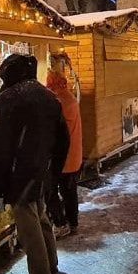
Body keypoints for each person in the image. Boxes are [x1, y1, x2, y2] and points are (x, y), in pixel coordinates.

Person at [0, 54, 69, 274]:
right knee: (42, 218)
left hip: (20, 175)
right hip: (42, 171)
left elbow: (0, 148)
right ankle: (51, 266)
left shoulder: (9, 98)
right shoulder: (47, 96)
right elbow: (64, 139)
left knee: (28, 227)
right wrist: (54, 171)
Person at [44, 58, 82, 238]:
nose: (48, 87)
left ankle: (62, 222)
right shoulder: (69, 98)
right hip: (72, 156)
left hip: (64, 157)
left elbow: (52, 127)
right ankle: (72, 222)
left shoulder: (61, 102)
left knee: (52, 191)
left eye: (50, 84)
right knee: (69, 192)